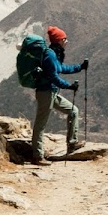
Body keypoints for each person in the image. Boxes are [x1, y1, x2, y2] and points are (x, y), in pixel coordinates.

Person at [30, 25, 89, 165]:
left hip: (51, 92)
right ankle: (37, 156)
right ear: (59, 40)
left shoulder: (54, 54)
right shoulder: (50, 55)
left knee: (73, 111)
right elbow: (53, 77)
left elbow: (61, 68)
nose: (67, 41)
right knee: (40, 124)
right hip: (46, 92)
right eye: (65, 39)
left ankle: (72, 143)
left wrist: (79, 67)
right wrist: (69, 86)